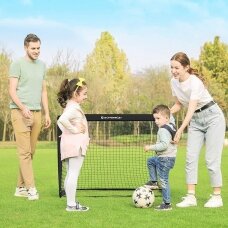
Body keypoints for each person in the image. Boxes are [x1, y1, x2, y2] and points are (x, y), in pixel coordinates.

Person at [170, 52, 226, 208]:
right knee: (190, 157)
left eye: (177, 67)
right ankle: (190, 197)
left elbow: (191, 108)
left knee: (211, 160)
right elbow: (179, 104)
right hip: (195, 120)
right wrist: (165, 113)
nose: (174, 71)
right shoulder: (173, 82)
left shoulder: (195, 82)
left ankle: (217, 196)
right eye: (172, 67)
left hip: (212, 117)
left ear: (186, 67)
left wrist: (180, 129)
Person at [9, 33, 51, 200]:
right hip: (19, 112)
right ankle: (31, 189)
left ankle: (20, 187)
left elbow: (43, 91)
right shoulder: (16, 64)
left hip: (37, 113)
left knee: (31, 152)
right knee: (24, 153)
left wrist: (47, 112)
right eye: (33, 48)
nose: (36, 51)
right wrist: (22, 107)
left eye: (38, 48)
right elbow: (11, 91)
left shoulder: (42, 65)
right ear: (25, 47)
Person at [57, 78, 89, 212]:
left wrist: (68, 130)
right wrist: (75, 130)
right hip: (76, 146)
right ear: (75, 94)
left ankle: (71, 202)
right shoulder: (74, 107)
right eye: (84, 94)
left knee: (70, 173)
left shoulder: (69, 106)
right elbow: (62, 120)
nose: (86, 97)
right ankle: (71, 205)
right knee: (73, 173)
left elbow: (60, 123)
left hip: (69, 144)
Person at [144, 104, 177, 211]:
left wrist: (150, 147)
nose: (156, 121)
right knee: (151, 161)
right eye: (155, 119)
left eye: (158, 118)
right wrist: (168, 109)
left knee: (163, 181)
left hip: (165, 159)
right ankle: (153, 181)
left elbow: (163, 145)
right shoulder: (171, 124)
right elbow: (171, 117)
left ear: (166, 118)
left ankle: (167, 204)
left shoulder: (163, 130)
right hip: (167, 158)